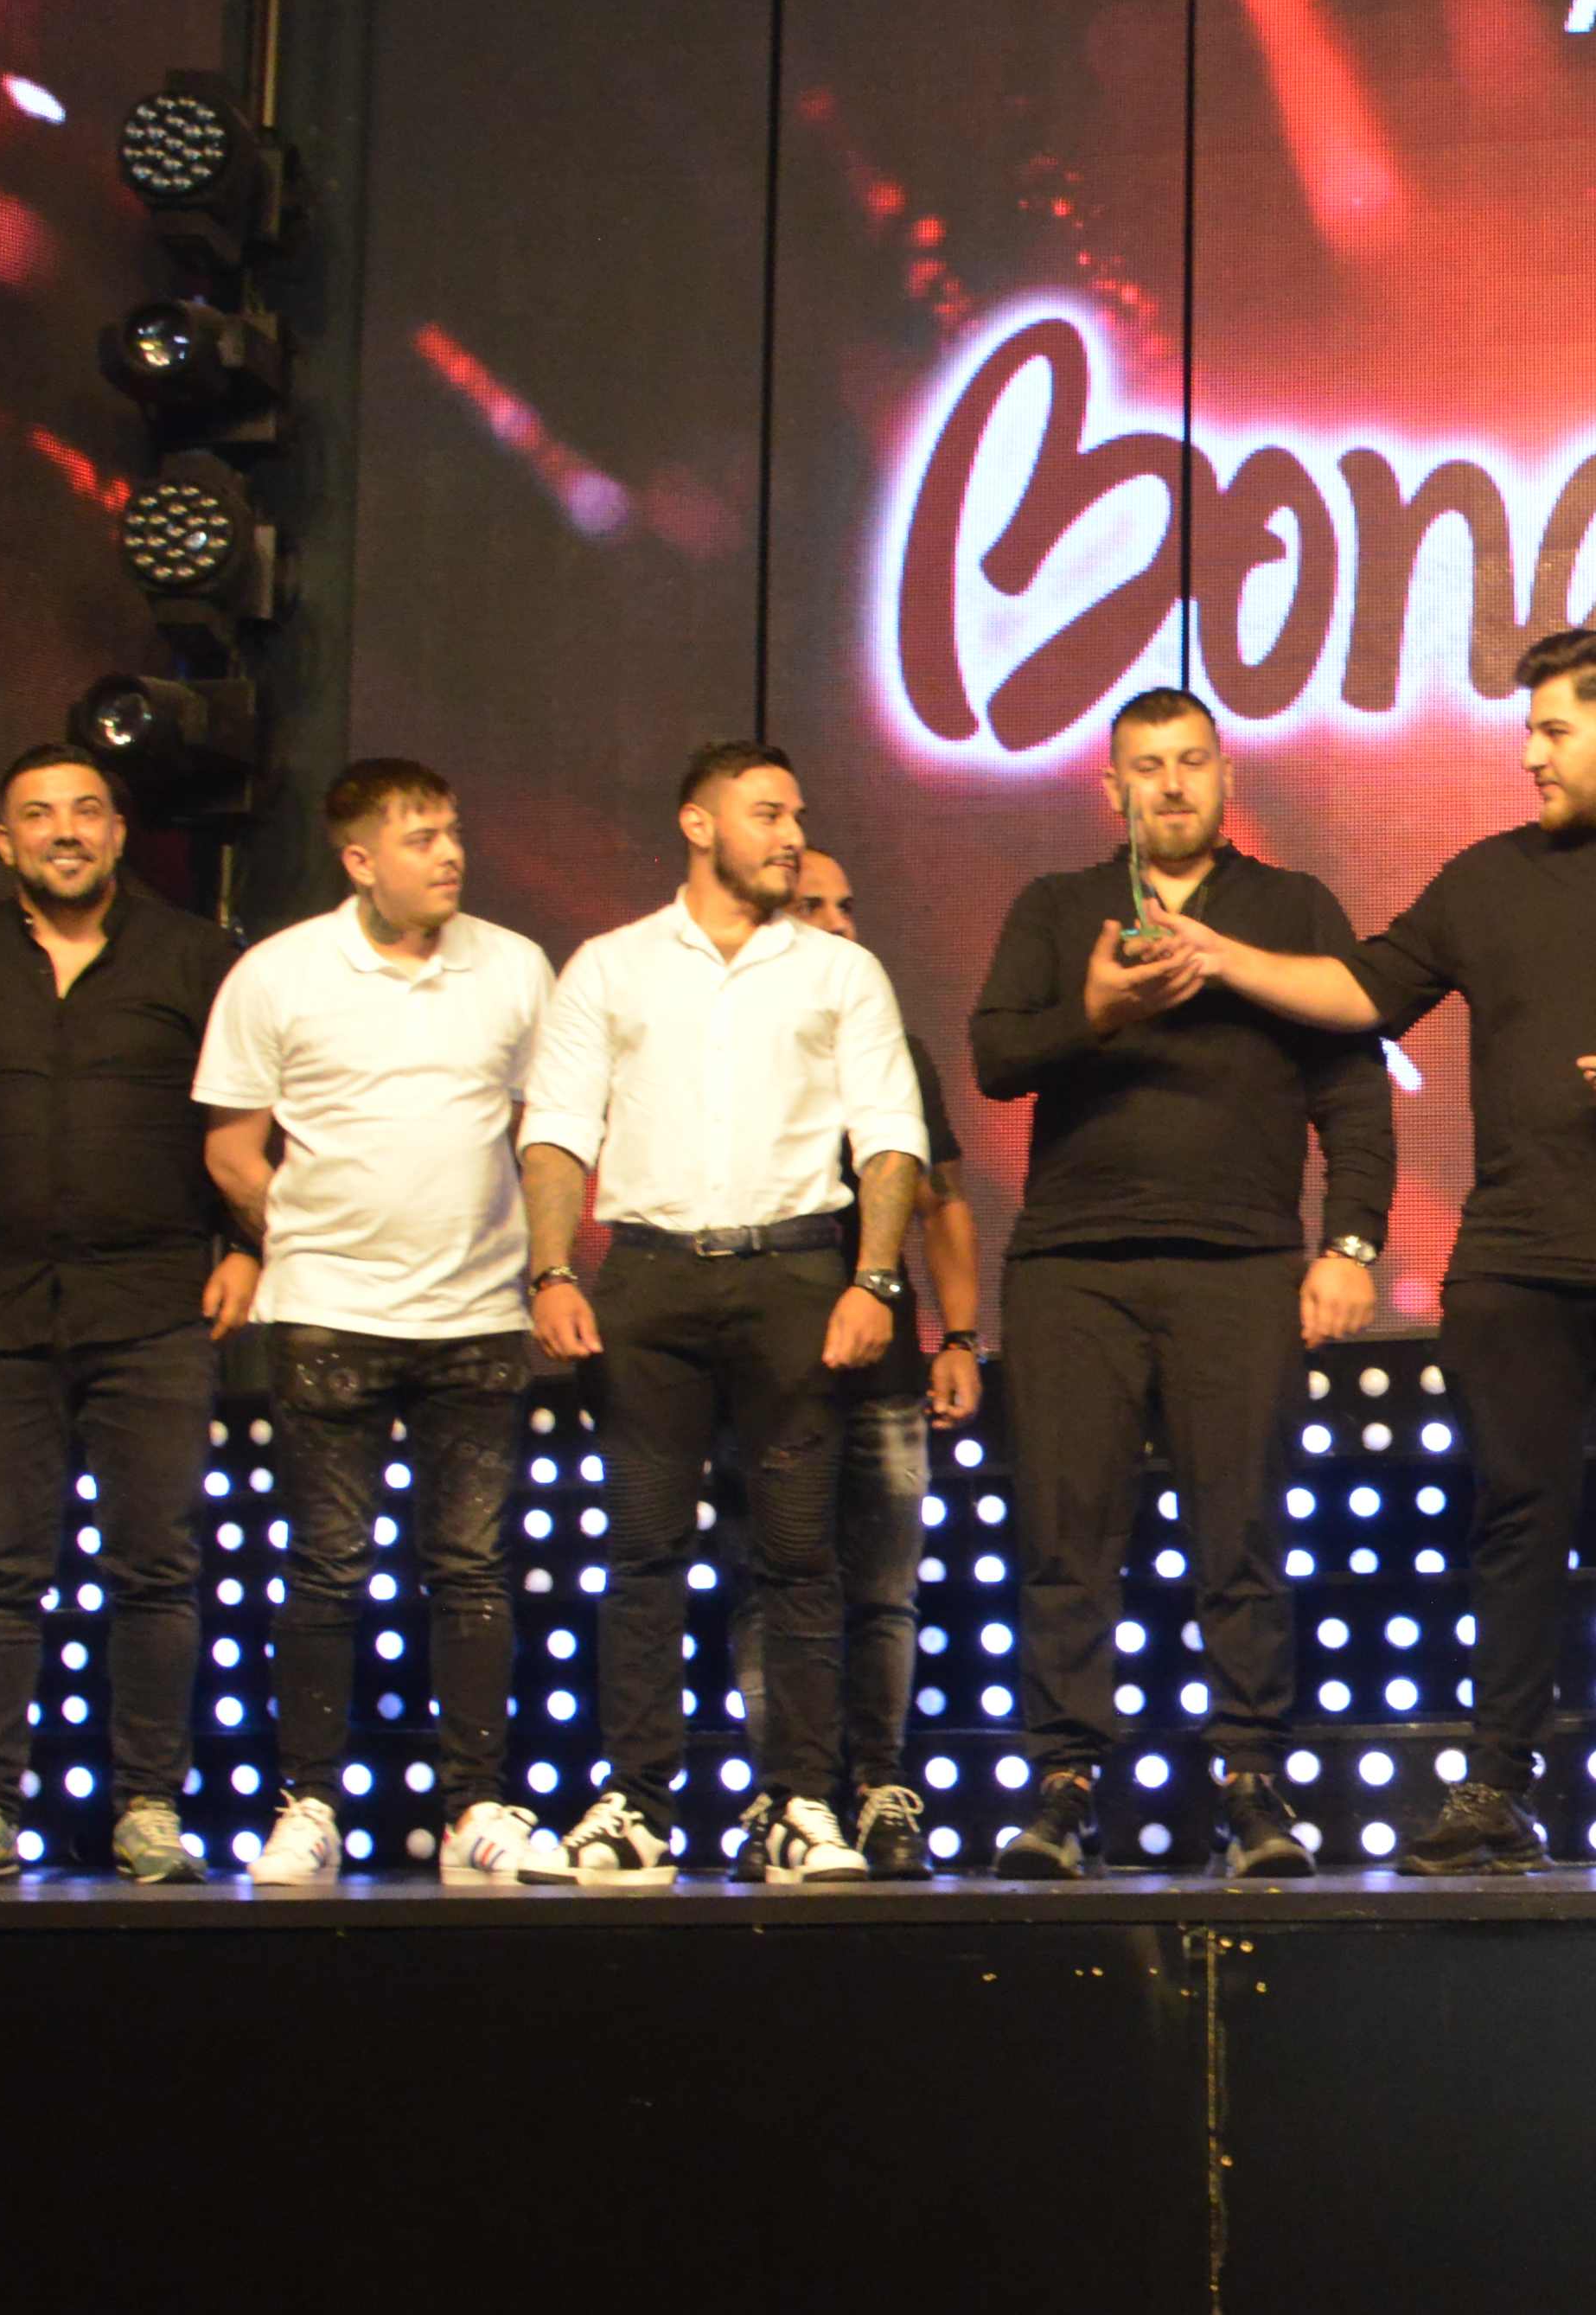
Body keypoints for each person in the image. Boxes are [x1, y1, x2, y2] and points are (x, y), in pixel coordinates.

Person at [1148, 627, 1596, 1874]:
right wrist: (1220, 954)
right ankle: (1494, 1783)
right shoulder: (1487, 878)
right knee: (1515, 1521)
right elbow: (1365, 991)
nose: (1531, 754)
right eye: (1529, 731)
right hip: (1514, 1257)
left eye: (1553, 730)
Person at [960, 685, 1392, 1883]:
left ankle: (1251, 1782)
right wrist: (1093, 1011)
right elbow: (995, 1056)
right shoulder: (1060, 908)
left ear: (1225, 775)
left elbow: (1354, 1092)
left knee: (1242, 1533)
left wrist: (1350, 1246)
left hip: (1240, 1263)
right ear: (1112, 787)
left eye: (1191, 760)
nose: (1170, 783)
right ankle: (1063, 1787)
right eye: (1146, 765)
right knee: (1064, 1537)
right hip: (1072, 1267)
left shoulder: (1290, 907)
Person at [518, 740, 932, 1891]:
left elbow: (889, 1136)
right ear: (698, 825)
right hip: (648, 1278)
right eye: (767, 814)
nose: (791, 835)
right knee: (642, 1551)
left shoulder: (841, 972)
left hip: (793, 1274)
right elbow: (556, 1128)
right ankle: (635, 1805)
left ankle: (799, 1801)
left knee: (799, 1555)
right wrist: (551, 1270)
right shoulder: (610, 966)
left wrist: (875, 1281)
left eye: (795, 814)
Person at [0, 747, 252, 1886]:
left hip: (155, 1310)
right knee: (2, 1569)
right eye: (39, 815)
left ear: (120, 832)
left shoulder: (196, 957)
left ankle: (149, 1809)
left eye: (88, 810)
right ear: (5, 842)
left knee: (157, 1569)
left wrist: (249, 1247)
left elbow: (246, 1120)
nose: (66, 830)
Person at [195, 756, 568, 1890]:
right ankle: (308, 1803)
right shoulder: (279, 973)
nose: (449, 854)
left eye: (452, 831)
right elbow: (232, 1148)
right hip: (329, 1315)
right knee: (326, 1565)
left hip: (476, 1310)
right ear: (359, 860)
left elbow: (547, 1130)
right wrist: (313, 1233)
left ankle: (475, 1808)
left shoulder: (514, 966)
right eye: (420, 838)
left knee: (471, 1566)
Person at [762, 843, 986, 1877]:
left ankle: (877, 1785)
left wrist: (959, 1338)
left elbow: (942, 1203)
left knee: (885, 1594)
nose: (841, 922)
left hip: (887, 1365)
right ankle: (785, 1797)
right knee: (774, 1584)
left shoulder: (893, 1045)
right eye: (814, 905)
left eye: (846, 904)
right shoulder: (735, 1045)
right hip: (767, 1361)